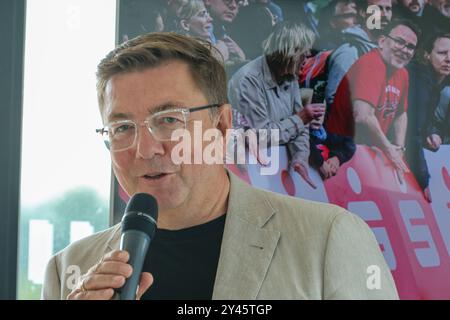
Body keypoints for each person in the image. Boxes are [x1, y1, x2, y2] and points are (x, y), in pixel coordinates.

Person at [41, 32, 398, 300]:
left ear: (223, 127)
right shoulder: (69, 269)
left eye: (168, 120)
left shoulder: (328, 238)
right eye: (121, 128)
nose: (145, 148)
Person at [228, 22, 324, 188]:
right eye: (304, 51)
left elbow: (300, 128)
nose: (308, 55)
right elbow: (260, 137)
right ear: (290, 52)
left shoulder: (290, 76)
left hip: (268, 171)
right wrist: (300, 119)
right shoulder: (248, 80)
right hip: (245, 174)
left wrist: (300, 157)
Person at [325, 19, 419, 183]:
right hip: (340, 150)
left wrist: (399, 148)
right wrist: (390, 150)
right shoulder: (371, 64)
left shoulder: (403, 73)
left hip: (367, 150)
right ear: (382, 41)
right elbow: (362, 116)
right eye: (400, 42)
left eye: (410, 47)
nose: (405, 50)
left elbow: (400, 113)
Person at [406, 32, 450, 202]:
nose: (448, 59)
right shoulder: (418, 80)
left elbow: (423, 122)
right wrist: (422, 179)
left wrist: (431, 132)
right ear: (426, 55)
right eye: (442, 53)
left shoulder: (433, 84)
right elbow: (412, 132)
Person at [325, 0, 393, 107]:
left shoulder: (388, 52)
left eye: (388, 9)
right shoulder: (350, 51)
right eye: (378, 8)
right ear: (363, 12)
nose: (385, 15)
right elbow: (334, 98)